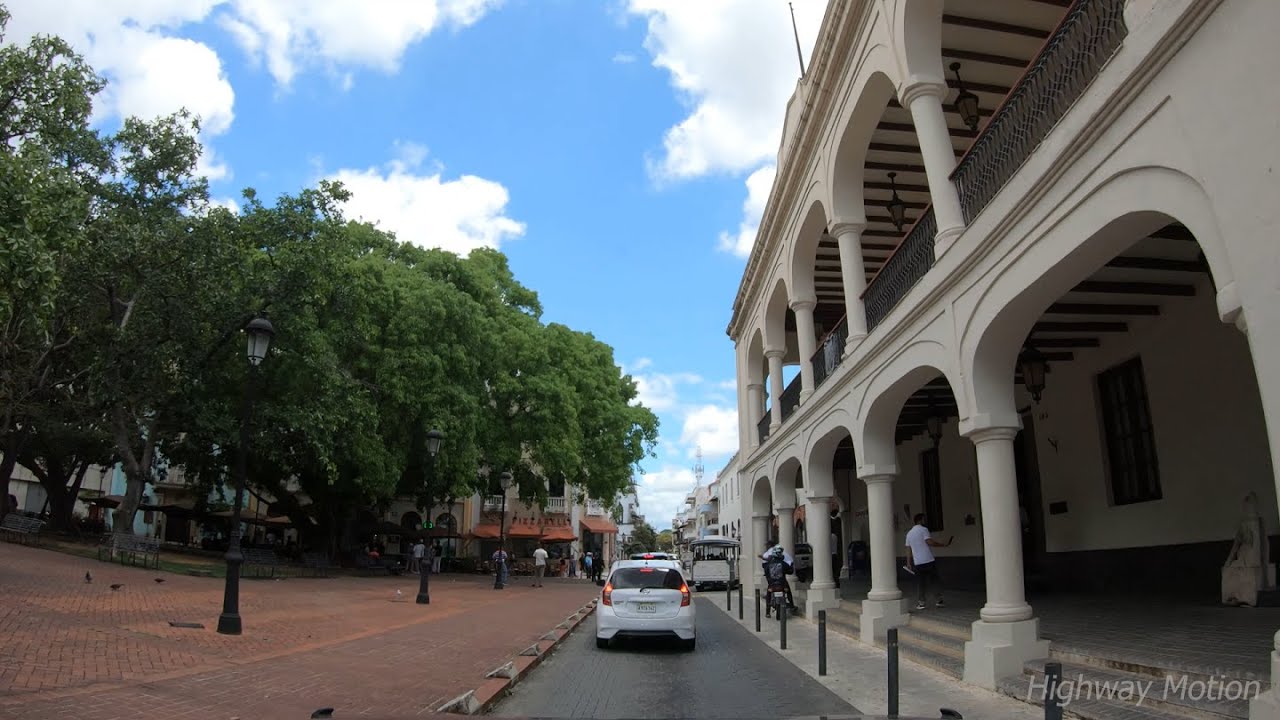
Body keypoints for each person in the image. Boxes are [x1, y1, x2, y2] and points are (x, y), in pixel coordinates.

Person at [905, 513, 953, 610]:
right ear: (920, 520)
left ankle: (921, 603)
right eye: (923, 519)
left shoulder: (909, 533)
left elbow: (908, 549)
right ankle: (939, 600)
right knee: (934, 580)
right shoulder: (924, 530)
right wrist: (942, 545)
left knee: (921, 582)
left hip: (918, 562)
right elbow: (929, 542)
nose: (925, 521)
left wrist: (909, 563)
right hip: (928, 560)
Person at [760, 542, 797, 615]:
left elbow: (765, 570)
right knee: (788, 591)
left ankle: (767, 612)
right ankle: (792, 605)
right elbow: (790, 570)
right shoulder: (783, 563)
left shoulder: (768, 563)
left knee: (769, 594)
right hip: (782, 583)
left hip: (772, 583)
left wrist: (768, 576)